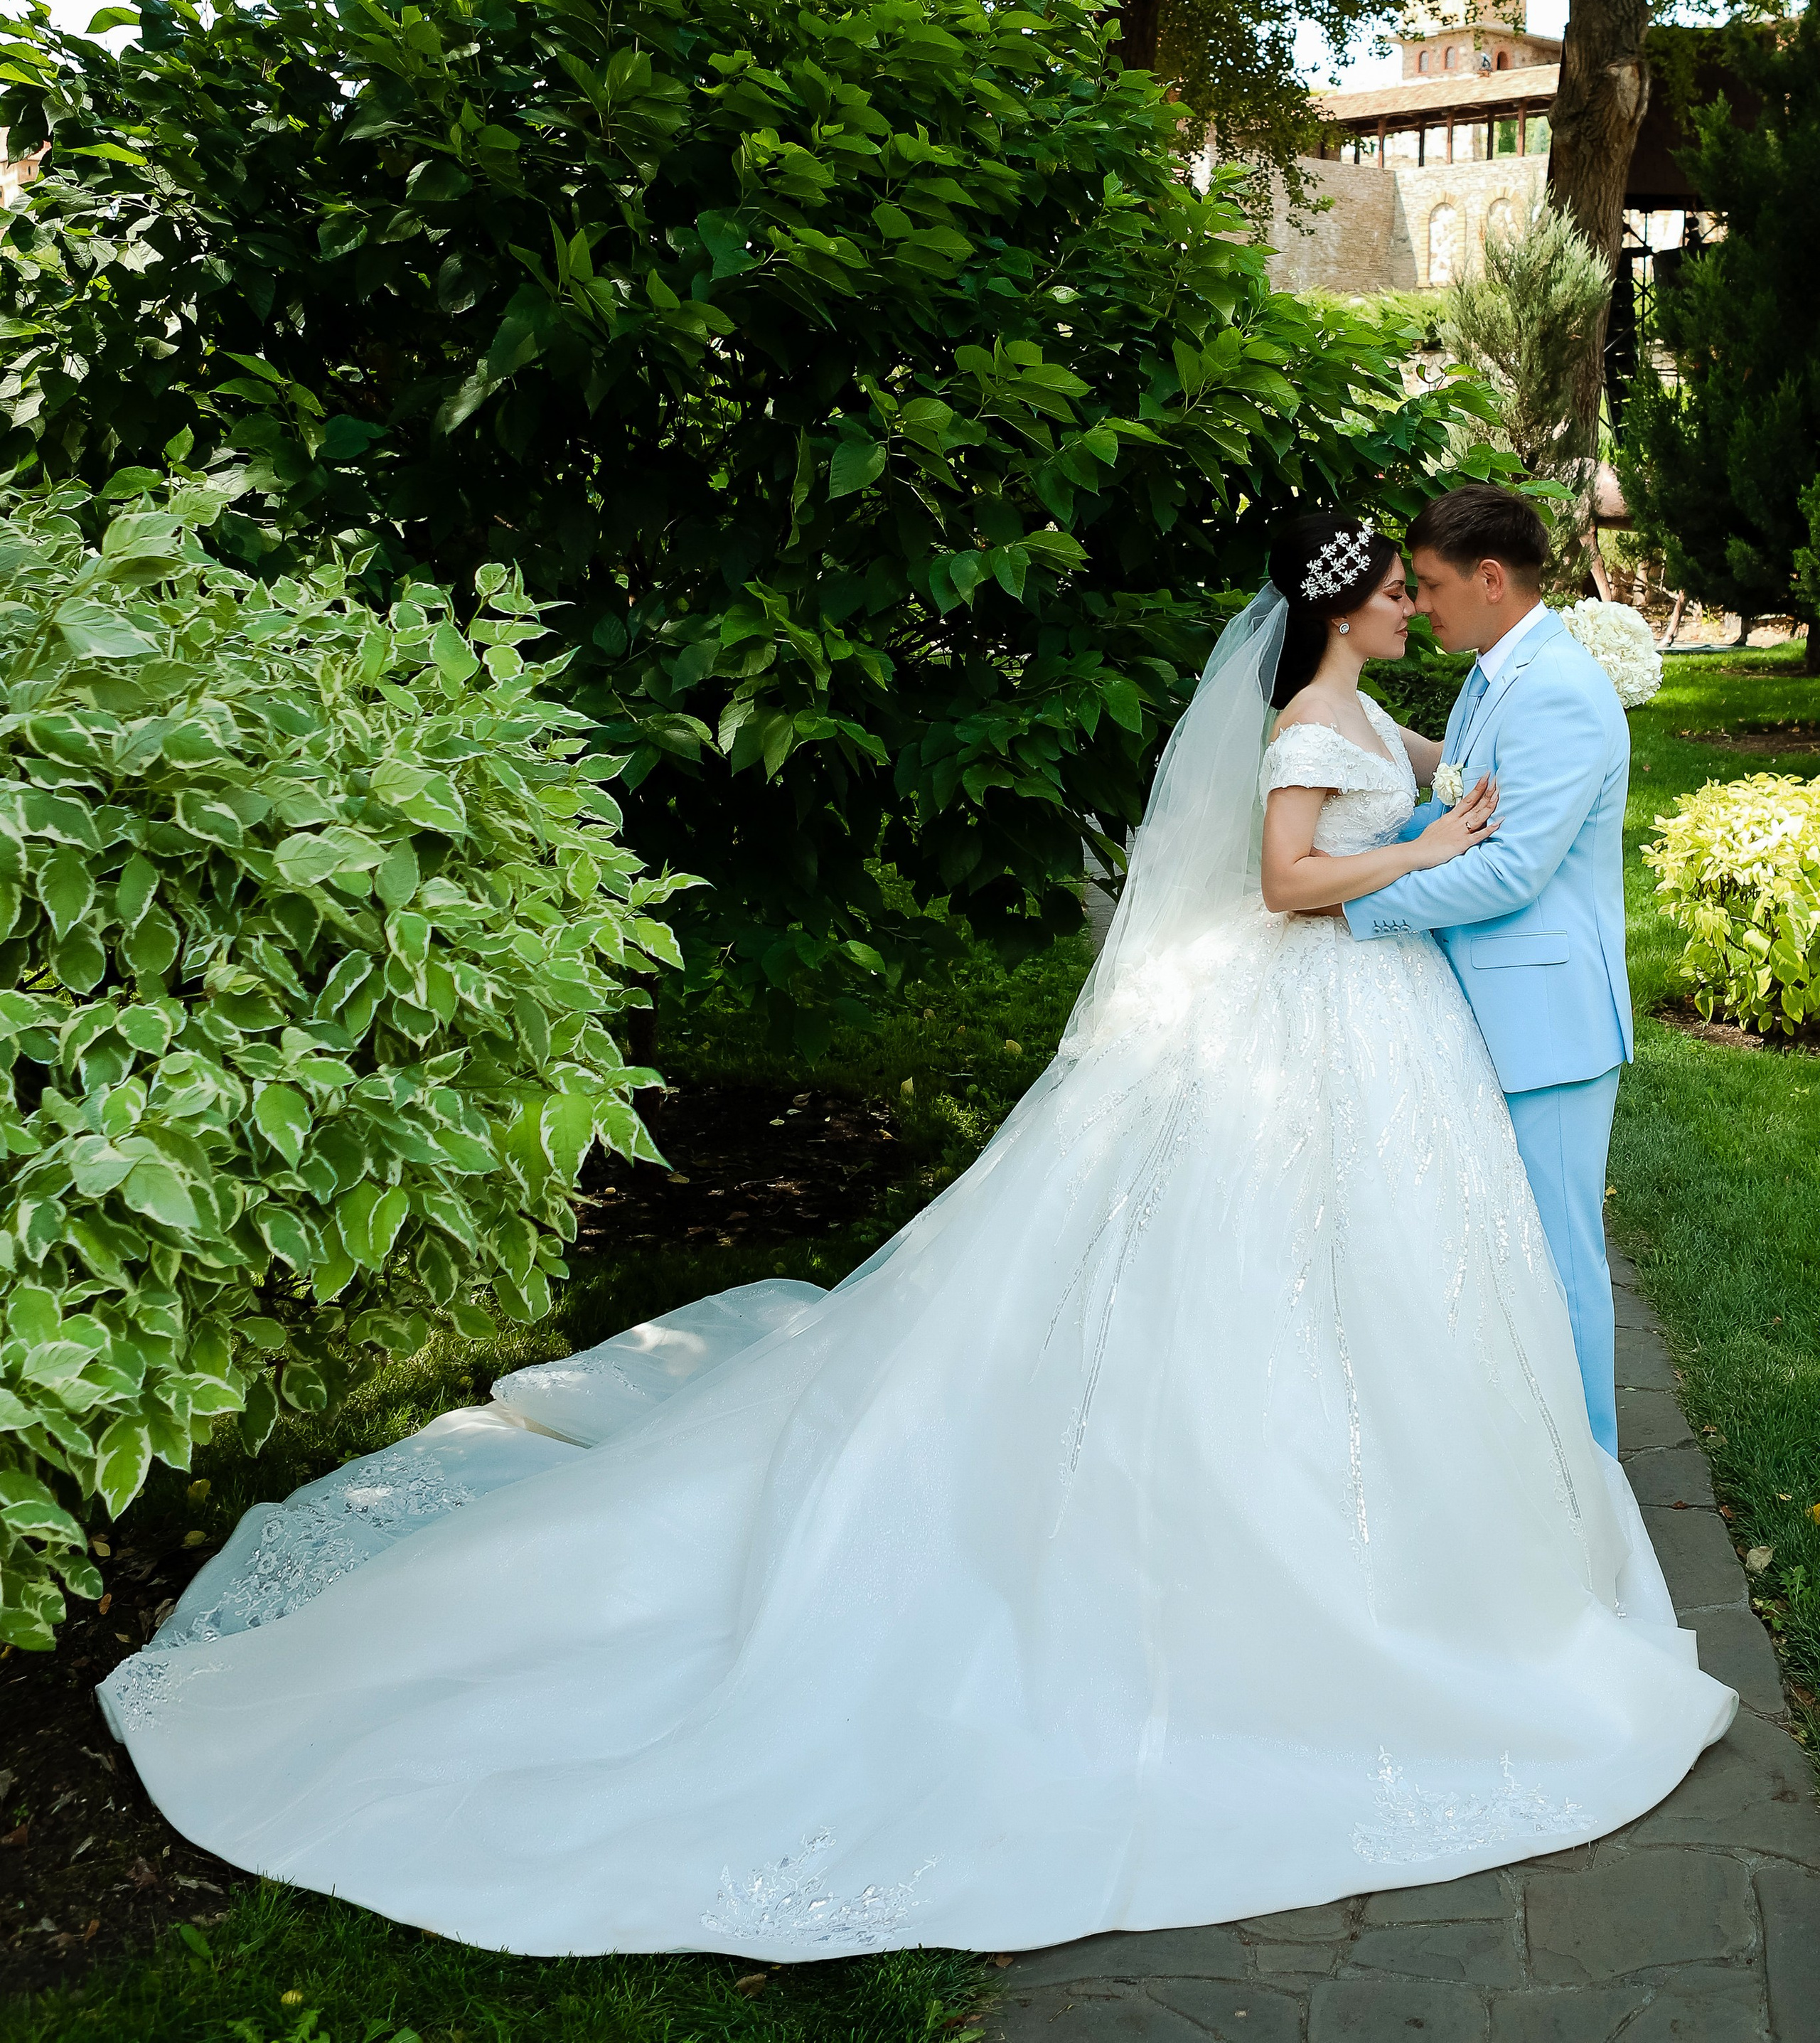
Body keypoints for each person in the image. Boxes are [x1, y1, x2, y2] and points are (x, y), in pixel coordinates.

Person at [98, 511, 1733, 1963]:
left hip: (1382, 1035)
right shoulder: (1310, 718)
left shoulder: (1372, 705)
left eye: (1415, 586)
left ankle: (1450, 1512)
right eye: (1392, 591)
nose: (1408, 606)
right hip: (1324, 993)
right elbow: (1281, 882)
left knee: (1382, 1277)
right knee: (1265, 1267)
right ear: (1343, 611)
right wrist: (1421, 850)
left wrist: (1434, 818)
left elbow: (1433, 817)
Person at [1342, 487, 1633, 1453]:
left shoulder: (1554, 689)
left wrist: (1357, 905)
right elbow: (1452, 812)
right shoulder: (1493, 671)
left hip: (1547, 1024)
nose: (1418, 606)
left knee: (1558, 1263)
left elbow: (1510, 871)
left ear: (1491, 579)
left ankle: (1594, 1489)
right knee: (1503, 1257)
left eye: (1427, 586)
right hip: (1489, 1011)